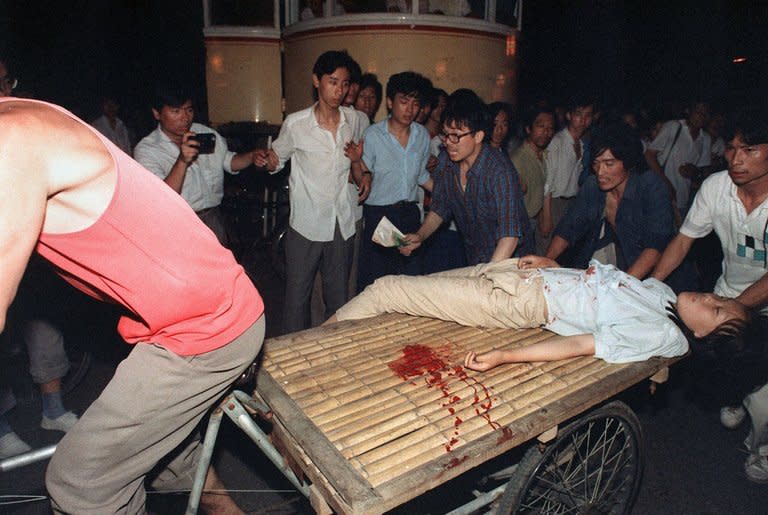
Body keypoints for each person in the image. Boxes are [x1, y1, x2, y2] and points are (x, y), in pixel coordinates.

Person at [0, 97, 265, 513]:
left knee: (82, 481)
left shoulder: (11, 139)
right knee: (163, 457)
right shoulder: (22, 118)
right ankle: (218, 502)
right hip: (182, 314)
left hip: (203, 325)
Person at [329, 258, 747, 366]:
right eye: (721, 299)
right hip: (525, 275)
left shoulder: (665, 334)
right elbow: (597, 288)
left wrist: (505, 356)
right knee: (405, 294)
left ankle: (299, 357)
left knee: (387, 290)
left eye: (716, 313)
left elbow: (582, 344)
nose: (712, 299)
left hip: (521, 302)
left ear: (705, 338)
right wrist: (551, 263)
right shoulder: (663, 298)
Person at [651, 108, 768, 482]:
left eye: (749, 150)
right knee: (726, 368)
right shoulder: (717, 186)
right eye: (732, 148)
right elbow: (684, 241)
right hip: (728, 293)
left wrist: (733, 311)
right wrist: (651, 285)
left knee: (765, 404)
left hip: (755, 307)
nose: (736, 159)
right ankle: (735, 393)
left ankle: (760, 449)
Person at [254, 50, 367, 332]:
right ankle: (292, 357)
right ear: (316, 80)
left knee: (338, 298)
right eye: (332, 82)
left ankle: (331, 352)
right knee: (297, 298)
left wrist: (362, 171)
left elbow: (357, 157)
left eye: (344, 84)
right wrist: (267, 162)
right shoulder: (296, 123)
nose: (339, 91)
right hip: (306, 223)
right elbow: (276, 160)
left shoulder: (353, 120)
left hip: (341, 223)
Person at [0, 58, 78, 460]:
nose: (4, 91)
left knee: (45, 331)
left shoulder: (21, 120)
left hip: (28, 249)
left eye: (6, 81)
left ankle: (53, 410)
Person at [536, 122, 692, 291]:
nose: (600, 172)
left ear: (628, 162)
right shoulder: (593, 185)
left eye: (609, 164)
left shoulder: (651, 187)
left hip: (663, 276)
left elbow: (655, 247)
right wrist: (546, 260)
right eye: (596, 163)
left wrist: (621, 289)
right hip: (628, 266)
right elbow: (569, 227)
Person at [400, 89, 532, 264]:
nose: (448, 143)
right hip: (476, 256)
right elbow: (440, 207)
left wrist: (487, 276)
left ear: (478, 135)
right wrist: (420, 235)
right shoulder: (446, 161)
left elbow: (510, 235)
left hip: (512, 262)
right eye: (446, 135)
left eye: (456, 136)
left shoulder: (499, 170)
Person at [134, 85, 261, 245]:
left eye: (189, 110)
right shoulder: (147, 149)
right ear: (157, 113)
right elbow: (161, 197)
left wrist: (251, 156)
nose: (185, 118)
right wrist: (182, 161)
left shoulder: (204, 133)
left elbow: (229, 161)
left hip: (213, 218)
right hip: (177, 224)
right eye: (176, 111)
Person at [356, 71, 433, 291]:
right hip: (379, 218)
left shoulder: (422, 136)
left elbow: (420, 176)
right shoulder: (372, 135)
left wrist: (450, 193)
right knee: (377, 285)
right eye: (404, 102)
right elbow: (362, 176)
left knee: (410, 284)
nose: (410, 109)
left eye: (415, 103)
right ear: (390, 102)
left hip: (409, 215)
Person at [539, 97, 595, 252]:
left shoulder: (582, 145)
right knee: (545, 252)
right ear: (569, 115)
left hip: (571, 203)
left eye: (588, 115)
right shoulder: (557, 141)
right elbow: (547, 181)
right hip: (553, 203)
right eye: (579, 114)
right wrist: (546, 215)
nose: (583, 120)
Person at [644, 100, 712, 216]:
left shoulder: (705, 139)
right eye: (698, 111)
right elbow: (649, 155)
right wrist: (667, 184)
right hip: (659, 196)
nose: (701, 116)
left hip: (682, 199)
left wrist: (694, 171)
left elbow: (704, 172)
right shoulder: (673, 126)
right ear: (689, 111)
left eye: (705, 114)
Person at [510, 105, 556, 254]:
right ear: (528, 129)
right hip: (520, 223)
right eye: (540, 126)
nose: (546, 132)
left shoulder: (544, 156)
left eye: (550, 128)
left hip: (533, 222)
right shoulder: (518, 158)